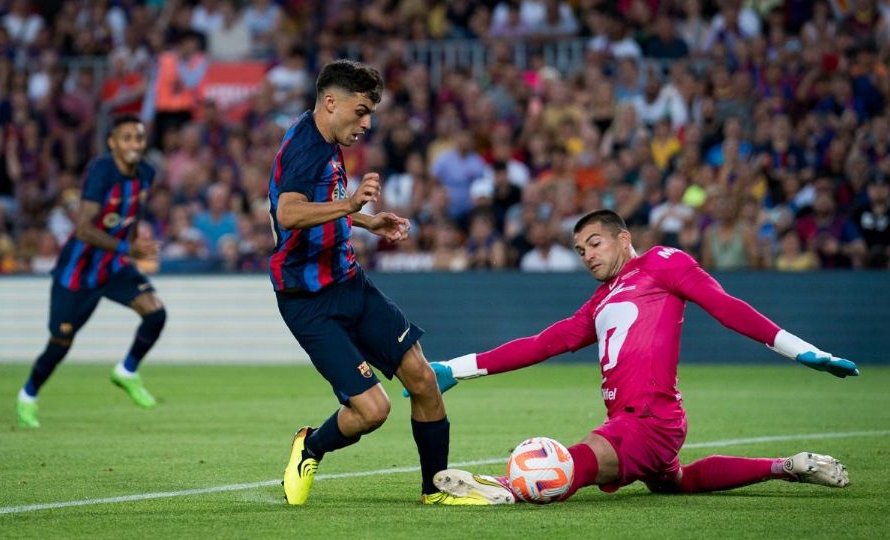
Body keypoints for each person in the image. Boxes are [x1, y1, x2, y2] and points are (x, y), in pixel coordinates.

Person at [421, 209, 857, 504]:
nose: (588, 255)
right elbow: (541, 344)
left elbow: (726, 307)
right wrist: (453, 369)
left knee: (577, 462)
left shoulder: (662, 263)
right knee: (676, 482)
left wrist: (801, 350)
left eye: (595, 243)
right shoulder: (598, 302)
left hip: (646, 419)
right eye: (580, 251)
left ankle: (502, 487)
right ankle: (789, 466)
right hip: (638, 420)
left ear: (623, 239)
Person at [270, 60, 474, 506]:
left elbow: (323, 208)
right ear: (330, 102)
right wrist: (349, 205)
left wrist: (368, 222)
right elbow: (289, 213)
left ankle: (435, 490)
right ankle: (310, 446)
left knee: (422, 377)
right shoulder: (305, 148)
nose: (367, 123)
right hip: (309, 302)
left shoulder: (327, 139)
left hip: (349, 282)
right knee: (372, 410)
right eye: (361, 111)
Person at [15, 115, 166, 428]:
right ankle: (28, 395)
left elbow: (132, 214)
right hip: (77, 272)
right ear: (112, 143)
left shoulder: (147, 173)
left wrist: (135, 243)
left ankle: (126, 371)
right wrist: (128, 249)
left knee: (155, 312)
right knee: (61, 342)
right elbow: (83, 229)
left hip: (114, 267)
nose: (134, 144)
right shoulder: (101, 171)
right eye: (126, 138)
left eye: (138, 137)